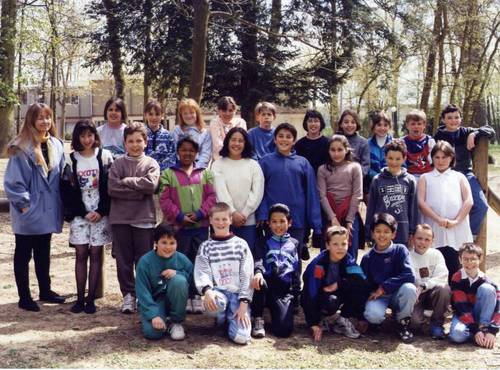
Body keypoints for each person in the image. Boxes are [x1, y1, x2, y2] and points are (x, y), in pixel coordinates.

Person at [4, 103, 66, 311]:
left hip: (48, 209)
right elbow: (14, 182)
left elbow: (62, 173)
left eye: (47, 117)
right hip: (30, 210)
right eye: (40, 118)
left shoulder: (56, 144)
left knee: (43, 251)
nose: (45, 122)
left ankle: (45, 290)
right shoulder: (21, 146)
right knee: (23, 252)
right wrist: (24, 206)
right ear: (31, 120)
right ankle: (24, 296)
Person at [60, 120, 113, 314]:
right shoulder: (71, 159)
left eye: (90, 135)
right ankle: (80, 298)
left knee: (96, 254)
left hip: (100, 213)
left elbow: (110, 187)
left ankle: (91, 299)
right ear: (77, 138)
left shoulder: (105, 156)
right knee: (81, 253)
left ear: (95, 136)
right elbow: (66, 189)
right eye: (82, 136)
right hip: (80, 213)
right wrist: (83, 212)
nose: (87, 139)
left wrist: (101, 210)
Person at [159, 136, 216, 313]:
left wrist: (200, 214)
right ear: (177, 152)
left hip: (200, 227)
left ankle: (196, 295)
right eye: (183, 149)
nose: (187, 153)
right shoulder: (168, 174)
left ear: (196, 153)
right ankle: (182, 296)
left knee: (198, 260)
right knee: (181, 261)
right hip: (179, 228)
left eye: (191, 150)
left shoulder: (205, 173)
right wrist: (179, 216)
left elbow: (212, 197)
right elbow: (165, 200)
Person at [108, 122, 160, 314]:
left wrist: (128, 181)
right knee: (123, 260)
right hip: (120, 219)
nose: (135, 144)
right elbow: (112, 188)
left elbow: (150, 186)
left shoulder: (151, 164)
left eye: (139, 140)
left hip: (144, 219)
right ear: (125, 143)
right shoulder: (118, 164)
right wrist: (138, 192)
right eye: (131, 141)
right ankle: (128, 295)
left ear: (145, 142)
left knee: (144, 261)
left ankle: (144, 295)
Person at [256, 123, 322, 263]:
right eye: (280, 136)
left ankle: (295, 285)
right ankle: (272, 285)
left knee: (293, 258)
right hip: (272, 220)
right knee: (272, 258)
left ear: (294, 140)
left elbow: (311, 194)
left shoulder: (302, 163)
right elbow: (259, 191)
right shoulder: (265, 162)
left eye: (288, 137)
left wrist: (315, 223)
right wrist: (262, 214)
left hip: (296, 220)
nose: (284, 140)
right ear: (275, 139)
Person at [194, 202, 254, 345]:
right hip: (218, 293)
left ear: (230, 220)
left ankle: (231, 321)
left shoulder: (241, 244)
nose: (221, 223)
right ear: (210, 220)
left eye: (224, 219)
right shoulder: (206, 246)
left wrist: (244, 303)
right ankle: (220, 320)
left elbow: (247, 274)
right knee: (215, 303)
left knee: (242, 338)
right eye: (217, 219)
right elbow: (202, 270)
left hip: (237, 295)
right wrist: (207, 290)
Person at [434, 104, 495, 237]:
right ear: (443, 120)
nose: (453, 120)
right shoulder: (439, 135)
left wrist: (474, 133)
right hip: (446, 174)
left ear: (461, 119)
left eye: (457, 117)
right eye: (449, 118)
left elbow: (490, 131)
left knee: (481, 206)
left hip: (465, 174)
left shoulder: (466, 131)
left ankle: (470, 236)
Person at [418, 140, 473, 281]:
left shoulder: (459, 177)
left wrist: (456, 221)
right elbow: (421, 202)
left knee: (456, 263)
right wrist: (437, 219)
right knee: (433, 263)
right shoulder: (425, 178)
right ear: (432, 158)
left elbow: (468, 201)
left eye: (444, 157)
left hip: (456, 228)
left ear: (451, 158)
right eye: (437, 157)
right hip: (434, 226)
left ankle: (456, 296)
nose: (441, 161)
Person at [302, 226, 368, 342]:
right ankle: (321, 319)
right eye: (335, 244)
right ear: (327, 245)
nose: (340, 248)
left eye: (343, 244)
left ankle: (343, 320)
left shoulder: (348, 260)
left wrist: (339, 284)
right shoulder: (319, 265)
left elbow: (362, 280)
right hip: (321, 295)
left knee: (357, 286)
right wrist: (313, 323)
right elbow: (310, 293)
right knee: (331, 301)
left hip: (336, 291)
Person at [362, 213, 417, 343]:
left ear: (393, 234)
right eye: (378, 231)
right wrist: (362, 317)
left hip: (398, 293)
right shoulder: (368, 258)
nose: (382, 235)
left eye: (386, 231)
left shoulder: (400, 250)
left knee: (410, 288)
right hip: (379, 296)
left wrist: (384, 287)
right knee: (372, 315)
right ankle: (376, 322)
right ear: (373, 234)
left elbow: (409, 275)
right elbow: (363, 285)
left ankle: (402, 323)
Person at [136, 224, 193, 341]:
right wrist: (154, 315)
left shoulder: (182, 259)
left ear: (177, 244)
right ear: (156, 243)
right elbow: (142, 292)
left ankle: (176, 322)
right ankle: (160, 317)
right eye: (164, 242)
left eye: (172, 243)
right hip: (154, 302)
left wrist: (178, 273)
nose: (168, 247)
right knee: (153, 333)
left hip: (174, 301)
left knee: (179, 281)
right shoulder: (145, 262)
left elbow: (193, 282)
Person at [212, 127, 264, 254]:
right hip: (223, 222)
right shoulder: (218, 164)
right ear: (227, 142)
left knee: (246, 256)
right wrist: (232, 213)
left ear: (245, 143)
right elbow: (220, 190)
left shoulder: (253, 165)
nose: (237, 143)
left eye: (240, 141)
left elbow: (257, 192)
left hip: (248, 220)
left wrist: (244, 214)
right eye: (233, 140)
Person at [251, 204, 299, 338]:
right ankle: (258, 317)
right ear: (268, 223)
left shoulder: (294, 243)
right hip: (266, 287)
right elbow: (258, 259)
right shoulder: (262, 241)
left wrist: (295, 296)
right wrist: (258, 272)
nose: (278, 225)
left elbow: (296, 269)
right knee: (258, 281)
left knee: (284, 331)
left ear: (289, 223)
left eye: (282, 221)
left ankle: (277, 311)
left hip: (283, 291)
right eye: (274, 222)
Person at [317, 135, 363, 260]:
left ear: (347, 149)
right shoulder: (322, 170)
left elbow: (357, 195)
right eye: (333, 150)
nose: (336, 153)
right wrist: (332, 218)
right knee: (328, 253)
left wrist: (349, 221)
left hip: (350, 214)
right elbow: (322, 196)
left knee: (349, 252)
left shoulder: (354, 167)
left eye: (340, 149)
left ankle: (349, 278)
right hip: (329, 215)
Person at [365, 140, 418, 246]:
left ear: (404, 158)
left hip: (402, 231)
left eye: (398, 159)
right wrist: (368, 232)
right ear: (385, 157)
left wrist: (412, 231)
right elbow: (371, 208)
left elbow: (413, 209)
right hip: (381, 232)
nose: (394, 162)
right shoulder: (377, 180)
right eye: (390, 158)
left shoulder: (410, 180)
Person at [449, 243, 500, 349]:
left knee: (487, 289)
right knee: (457, 336)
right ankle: (478, 333)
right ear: (460, 259)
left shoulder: (486, 280)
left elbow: (498, 305)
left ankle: (484, 329)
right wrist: (475, 330)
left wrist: (493, 330)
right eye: (465, 259)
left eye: (473, 259)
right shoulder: (457, 278)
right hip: (463, 314)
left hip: (481, 315)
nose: (469, 262)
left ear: (480, 259)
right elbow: (461, 307)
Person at [409, 224, 450, 339]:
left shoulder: (436, 254)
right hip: (416, 296)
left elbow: (442, 276)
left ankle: (437, 323)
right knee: (414, 324)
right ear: (412, 238)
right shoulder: (407, 256)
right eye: (419, 238)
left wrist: (424, 285)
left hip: (433, 293)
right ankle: (423, 319)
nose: (423, 242)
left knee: (444, 289)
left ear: (432, 241)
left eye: (427, 239)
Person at [172, 98, 212, 168]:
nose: (189, 116)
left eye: (191, 112)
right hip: (180, 167)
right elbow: (174, 150)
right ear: (181, 115)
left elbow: (206, 154)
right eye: (185, 113)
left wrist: (195, 168)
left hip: (198, 168)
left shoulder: (205, 133)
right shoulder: (177, 130)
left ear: (197, 113)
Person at [209, 96, 247, 162]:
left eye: (230, 110)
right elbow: (218, 145)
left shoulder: (240, 122)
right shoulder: (215, 123)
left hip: (238, 159)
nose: (227, 113)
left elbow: (242, 143)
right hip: (220, 159)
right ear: (218, 110)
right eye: (224, 110)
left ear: (235, 110)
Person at [402, 109, 435, 181]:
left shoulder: (430, 141)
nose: (416, 126)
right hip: (409, 175)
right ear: (407, 125)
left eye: (419, 124)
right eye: (413, 124)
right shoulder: (402, 142)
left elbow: (434, 160)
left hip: (427, 174)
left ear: (424, 125)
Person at [143, 100, 176, 171]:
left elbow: (171, 158)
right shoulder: (140, 134)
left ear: (162, 115)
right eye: (150, 114)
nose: (154, 117)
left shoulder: (168, 136)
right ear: (145, 115)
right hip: (143, 174)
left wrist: (158, 172)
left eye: (157, 114)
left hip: (163, 176)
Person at [294, 109, 330, 175]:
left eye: (316, 121)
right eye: (310, 121)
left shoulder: (328, 143)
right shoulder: (299, 144)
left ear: (321, 123)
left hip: (324, 180)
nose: (313, 124)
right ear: (306, 123)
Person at [337, 109, 370, 179]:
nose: (350, 125)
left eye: (353, 122)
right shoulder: (335, 140)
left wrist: (355, 178)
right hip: (337, 181)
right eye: (346, 122)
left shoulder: (363, 143)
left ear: (357, 124)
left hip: (357, 181)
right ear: (341, 124)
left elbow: (366, 167)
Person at [367, 111, 393, 186]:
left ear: (389, 126)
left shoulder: (396, 144)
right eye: (379, 125)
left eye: (385, 125)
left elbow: (402, 165)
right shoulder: (367, 144)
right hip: (372, 185)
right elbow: (365, 166)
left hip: (391, 184)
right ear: (373, 126)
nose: (382, 128)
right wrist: (378, 177)